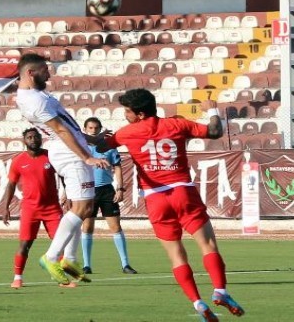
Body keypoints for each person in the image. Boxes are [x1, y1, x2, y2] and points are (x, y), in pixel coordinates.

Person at [101, 88, 244, 321]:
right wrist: (212, 110)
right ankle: (220, 290)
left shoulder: (126, 132)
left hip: (155, 198)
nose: (125, 115)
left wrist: (99, 138)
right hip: (182, 191)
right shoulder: (177, 125)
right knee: (207, 245)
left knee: (177, 257)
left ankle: (198, 303)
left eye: (127, 111)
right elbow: (216, 131)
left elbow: (100, 148)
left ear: (139, 114)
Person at [15, 53, 109, 286]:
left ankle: (70, 259)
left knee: (83, 209)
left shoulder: (36, 95)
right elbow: (61, 130)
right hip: (68, 153)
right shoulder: (33, 101)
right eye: (44, 70)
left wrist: (90, 139)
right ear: (30, 73)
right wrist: (86, 156)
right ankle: (52, 257)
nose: (49, 74)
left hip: (69, 148)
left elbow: (67, 124)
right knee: (83, 207)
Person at [1, 128, 64, 289]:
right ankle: (17, 278)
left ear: (41, 139)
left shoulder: (50, 156)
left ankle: (63, 277)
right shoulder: (19, 161)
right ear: (24, 141)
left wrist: (69, 196)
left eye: (36, 137)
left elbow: (64, 175)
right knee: (25, 244)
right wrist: (6, 207)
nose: (33, 140)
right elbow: (11, 184)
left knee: (61, 243)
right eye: (29, 137)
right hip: (30, 209)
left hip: (52, 208)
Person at [79, 117, 137, 275]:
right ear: (85, 129)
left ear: (100, 128)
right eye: (90, 128)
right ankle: (86, 265)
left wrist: (120, 188)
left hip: (106, 190)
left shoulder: (109, 147)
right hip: (87, 190)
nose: (93, 130)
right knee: (87, 227)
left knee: (115, 227)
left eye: (96, 128)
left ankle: (125, 264)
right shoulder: (81, 147)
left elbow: (118, 167)